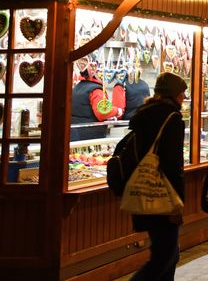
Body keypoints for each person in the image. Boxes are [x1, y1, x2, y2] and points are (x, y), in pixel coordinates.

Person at [128, 72, 186, 280]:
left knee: (168, 254)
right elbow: (172, 164)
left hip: (143, 188)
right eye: (182, 94)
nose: (184, 99)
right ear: (173, 95)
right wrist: (178, 202)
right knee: (164, 257)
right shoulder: (172, 118)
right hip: (162, 194)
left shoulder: (144, 114)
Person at [71, 63, 126, 140]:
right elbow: (102, 113)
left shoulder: (76, 88)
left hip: (74, 132)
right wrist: (117, 111)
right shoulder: (96, 90)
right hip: (90, 135)